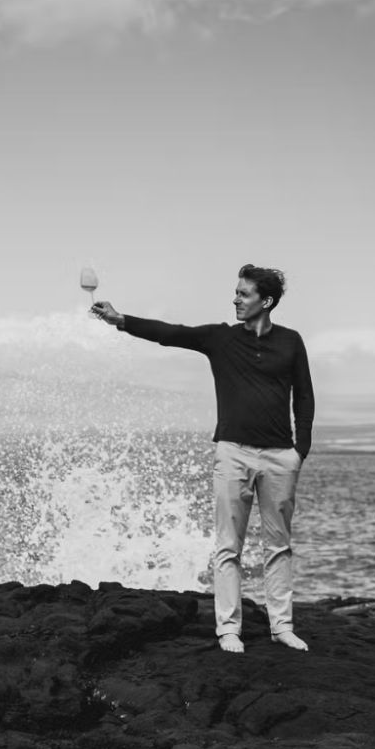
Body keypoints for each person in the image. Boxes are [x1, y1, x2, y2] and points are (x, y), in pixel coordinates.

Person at [91, 266, 315, 654]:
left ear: (266, 301)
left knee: (279, 546)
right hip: (233, 453)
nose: (235, 299)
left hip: (280, 457)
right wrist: (120, 320)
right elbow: (171, 333)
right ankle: (228, 629)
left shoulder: (291, 342)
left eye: (244, 294)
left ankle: (281, 626)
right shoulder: (221, 338)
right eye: (236, 292)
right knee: (229, 547)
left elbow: (305, 397)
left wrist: (300, 451)